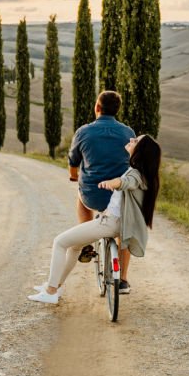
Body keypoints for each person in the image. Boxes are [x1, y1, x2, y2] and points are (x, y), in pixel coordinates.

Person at [29, 135, 161, 304]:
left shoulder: (135, 175)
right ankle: (56, 285)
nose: (131, 139)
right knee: (75, 246)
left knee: (59, 242)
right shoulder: (142, 174)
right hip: (113, 222)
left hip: (110, 224)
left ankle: (51, 291)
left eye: (136, 141)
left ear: (140, 151)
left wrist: (112, 183)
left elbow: (125, 182)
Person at [67, 90, 136, 290]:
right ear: (118, 110)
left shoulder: (83, 131)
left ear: (97, 107)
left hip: (93, 195)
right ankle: (122, 279)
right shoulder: (127, 132)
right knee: (123, 229)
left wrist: (74, 176)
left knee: (81, 198)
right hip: (119, 195)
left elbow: (73, 161)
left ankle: (87, 241)